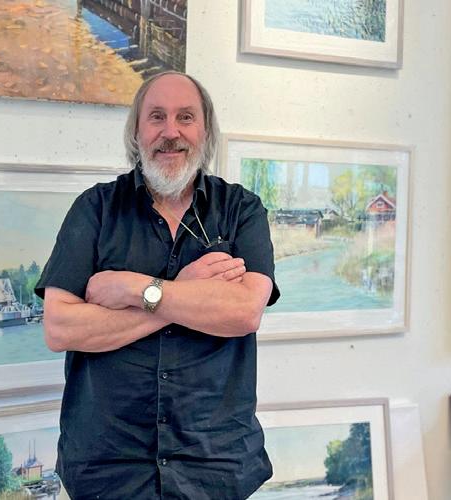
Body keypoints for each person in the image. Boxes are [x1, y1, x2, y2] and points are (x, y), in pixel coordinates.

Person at [35, 71, 280, 499]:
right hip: (109, 469)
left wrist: (135, 290)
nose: (171, 132)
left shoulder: (241, 210)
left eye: (186, 117)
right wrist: (183, 293)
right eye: (156, 117)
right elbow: (60, 328)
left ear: (205, 131)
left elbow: (244, 312)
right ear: (136, 131)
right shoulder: (95, 208)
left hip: (216, 466)